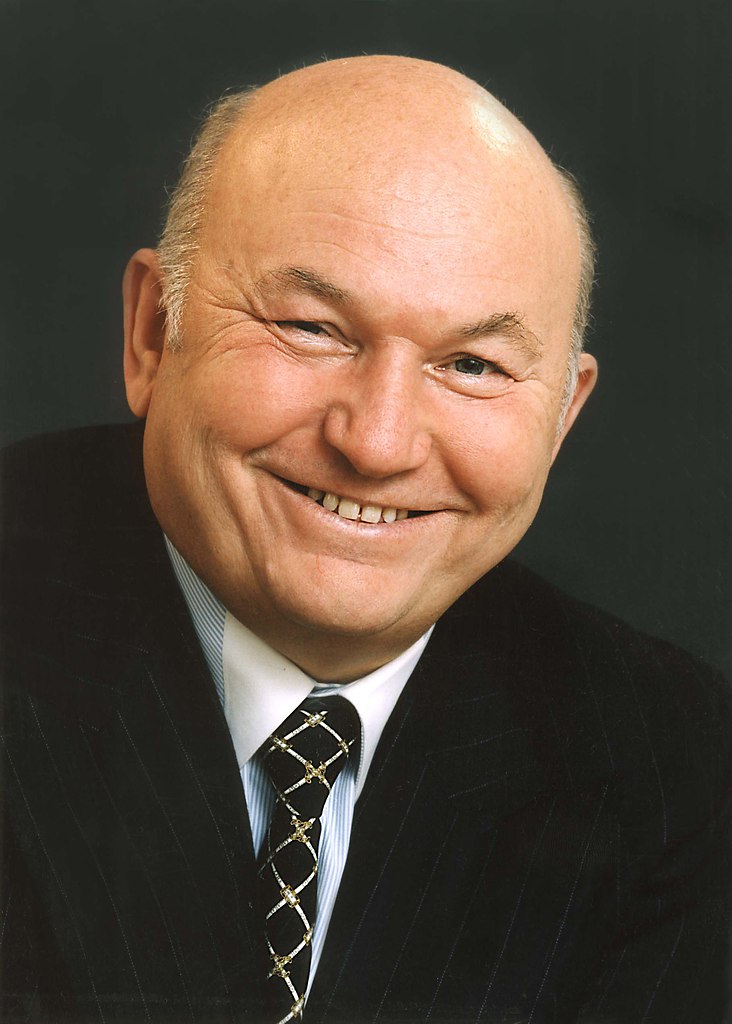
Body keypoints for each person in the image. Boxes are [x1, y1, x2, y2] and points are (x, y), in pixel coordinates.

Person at [1, 55, 730, 1024]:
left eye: (472, 365)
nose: (378, 443)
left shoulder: (682, 773)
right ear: (151, 332)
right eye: (312, 327)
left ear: (561, 418)